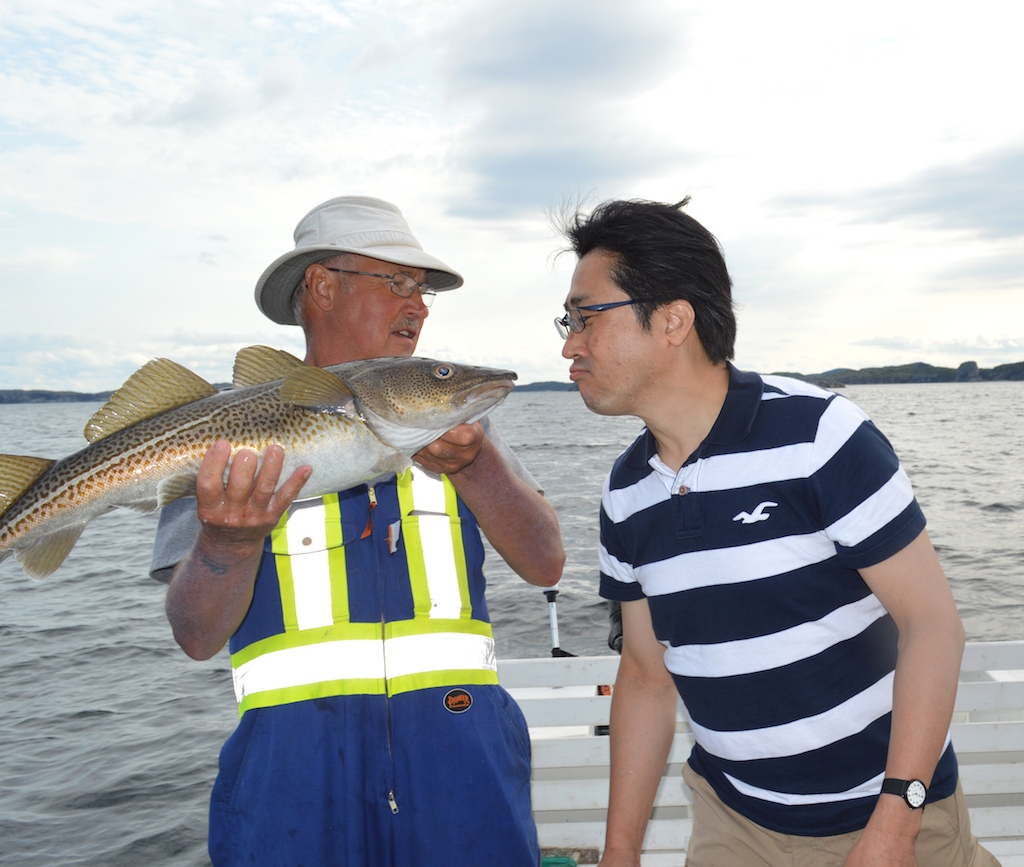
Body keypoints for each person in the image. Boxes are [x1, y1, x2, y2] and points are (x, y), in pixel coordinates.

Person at [554, 197, 998, 867]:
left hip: (888, 812)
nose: (570, 344)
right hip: (734, 823)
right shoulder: (626, 491)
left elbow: (932, 625)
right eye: (568, 322)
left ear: (673, 320)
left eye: (586, 316)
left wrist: (895, 824)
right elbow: (646, 676)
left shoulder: (820, 435)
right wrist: (620, 851)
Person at [150, 195, 565, 867]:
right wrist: (228, 543)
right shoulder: (222, 434)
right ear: (322, 286)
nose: (419, 306)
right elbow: (196, 636)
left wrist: (478, 465)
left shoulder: (460, 427)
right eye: (398, 282)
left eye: (424, 290)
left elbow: (547, 564)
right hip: (291, 787)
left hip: (465, 774)